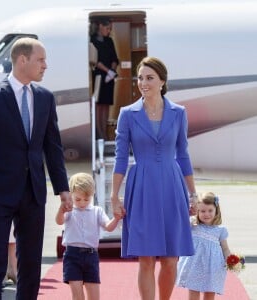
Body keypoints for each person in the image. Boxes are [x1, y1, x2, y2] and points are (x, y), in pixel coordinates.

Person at [0, 37, 72, 300]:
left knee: (31, 264)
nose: (45, 65)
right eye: (41, 60)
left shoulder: (45, 98)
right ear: (22, 60)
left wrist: (63, 188)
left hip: (33, 193)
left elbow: (53, 147)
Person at [111, 56, 198, 300]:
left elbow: (183, 155)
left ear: (162, 81)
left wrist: (193, 194)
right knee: (146, 258)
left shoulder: (179, 113)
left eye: (149, 78)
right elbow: (120, 158)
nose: (143, 83)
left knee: (171, 259)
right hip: (142, 187)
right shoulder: (127, 114)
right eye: (140, 78)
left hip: (172, 185)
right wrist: (114, 196)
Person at [56, 172, 121, 300]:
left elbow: (108, 226)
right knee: (77, 296)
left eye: (87, 199)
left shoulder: (97, 211)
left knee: (94, 296)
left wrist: (116, 218)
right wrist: (61, 210)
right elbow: (59, 221)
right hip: (72, 256)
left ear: (92, 195)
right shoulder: (70, 210)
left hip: (91, 256)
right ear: (71, 195)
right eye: (78, 199)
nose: (82, 203)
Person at [176, 192, 231, 300]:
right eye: (202, 211)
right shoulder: (193, 225)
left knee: (210, 294)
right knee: (193, 291)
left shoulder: (220, 230)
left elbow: (225, 248)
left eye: (210, 210)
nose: (206, 214)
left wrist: (230, 259)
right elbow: (180, 223)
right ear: (197, 211)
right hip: (194, 265)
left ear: (216, 210)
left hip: (213, 267)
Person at [90, 17, 119, 140]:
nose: (109, 31)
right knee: (98, 106)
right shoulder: (92, 41)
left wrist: (112, 71)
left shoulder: (109, 41)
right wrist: (108, 71)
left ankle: (105, 134)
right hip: (98, 77)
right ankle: (99, 133)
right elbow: (95, 61)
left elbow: (114, 58)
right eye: (107, 28)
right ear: (101, 26)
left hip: (109, 78)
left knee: (106, 105)